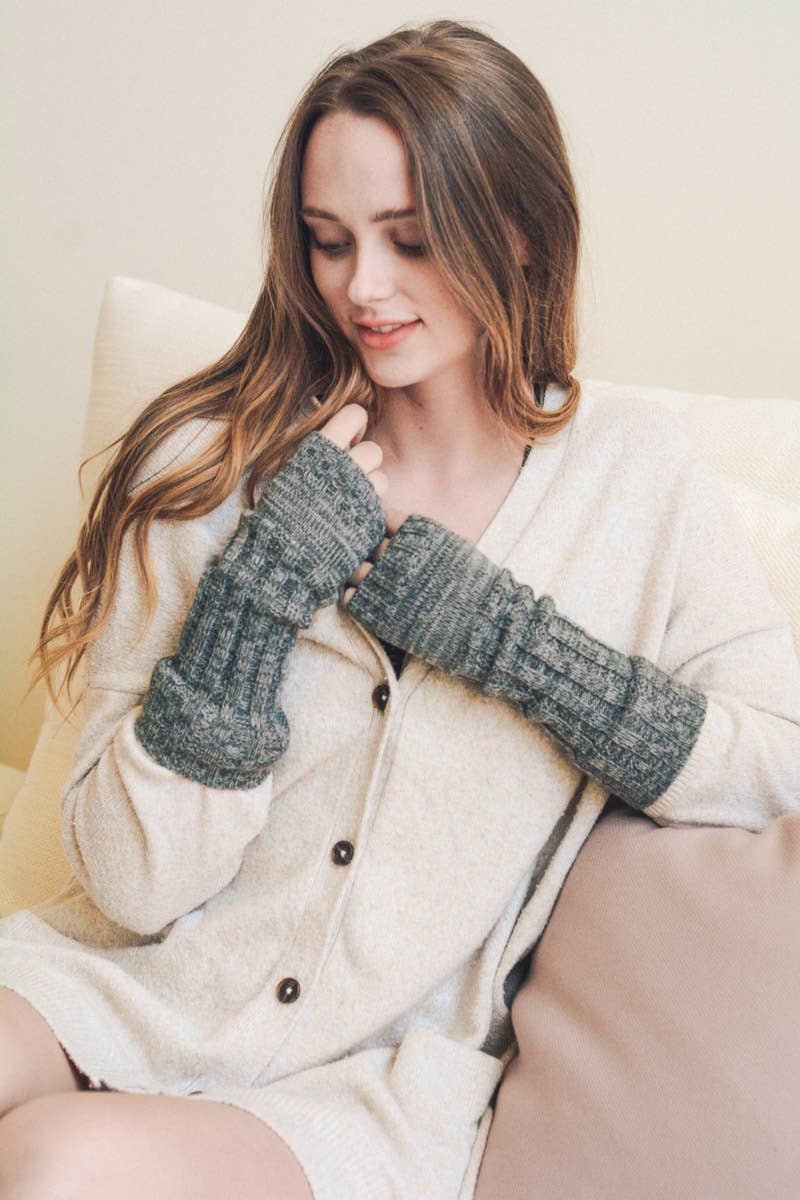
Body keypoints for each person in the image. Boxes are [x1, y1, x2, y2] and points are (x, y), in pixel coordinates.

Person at [1, 16, 799, 1200]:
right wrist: (252, 604)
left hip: (366, 1086)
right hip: (126, 982)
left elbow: (778, 758)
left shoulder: (634, 483)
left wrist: (512, 644)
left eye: (410, 241)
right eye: (329, 242)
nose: (361, 288)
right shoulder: (214, 464)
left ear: (519, 235)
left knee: (53, 1168)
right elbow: (127, 887)